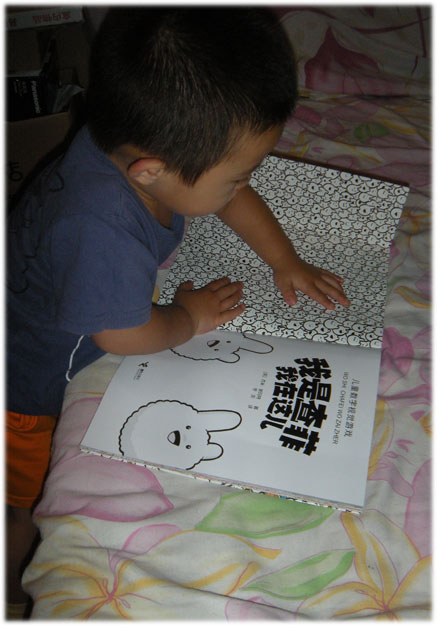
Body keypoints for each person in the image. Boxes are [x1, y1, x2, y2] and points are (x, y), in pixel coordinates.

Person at [6, 6, 350, 611]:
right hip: (23, 392)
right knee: (24, 499)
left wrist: (284, 258)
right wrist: (187, 318)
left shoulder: (133, 144)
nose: (242, 186)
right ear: (152, 171)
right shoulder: (99, 227)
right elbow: (121, 333)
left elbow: (227, 197)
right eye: (236, 177)